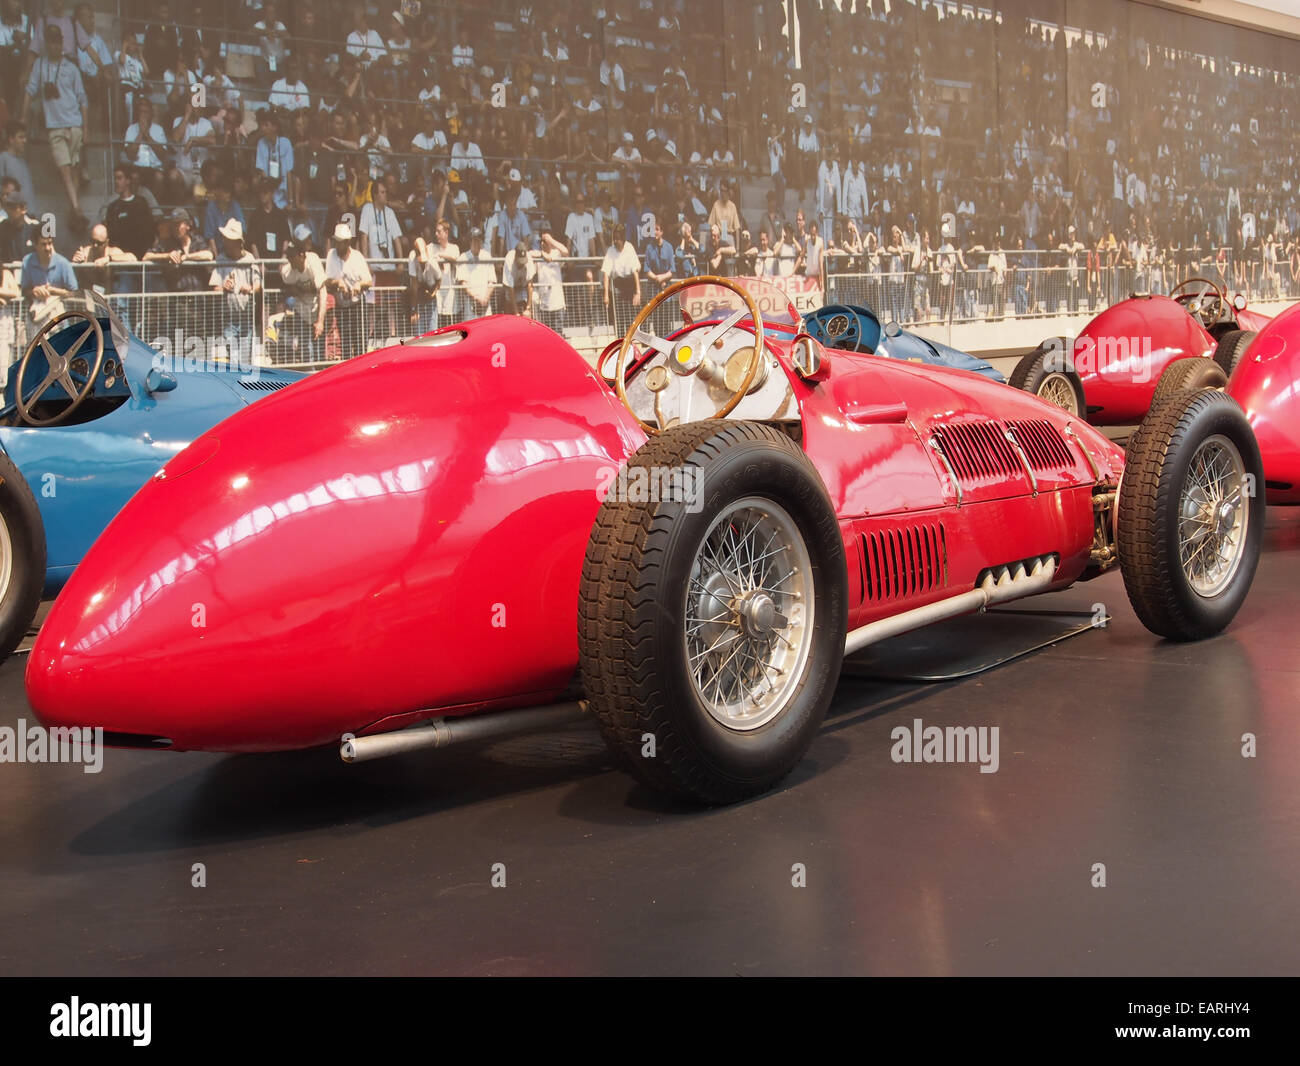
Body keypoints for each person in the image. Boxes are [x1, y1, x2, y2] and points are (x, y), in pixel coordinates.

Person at [21, 23, 87, 229]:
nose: (54, 46)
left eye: (57, 41)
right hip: (55, 127)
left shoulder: (72, 67)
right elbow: (30, 90)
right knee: (64, 169)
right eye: (50, 42)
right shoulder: (40, 65)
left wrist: (87, 128)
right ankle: (77, 210)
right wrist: (23, 117)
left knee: (74, 170)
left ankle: (74, 211)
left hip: (74, 124)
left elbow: (83, 98)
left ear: (61, 43)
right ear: (47, 44)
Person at [209, 219, 261, 358]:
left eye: (228, 239)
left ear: (238, 242)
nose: (225, 242)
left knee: (246, 359)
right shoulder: (220, 259)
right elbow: (215, 288)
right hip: (229, 319)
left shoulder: (249, 258)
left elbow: (258, 285)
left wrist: (250, 288)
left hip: (247, 318)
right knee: (233, 358)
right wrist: (224, 288)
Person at [324, 222, 371, 359]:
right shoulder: (331, 255)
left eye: (340, 242)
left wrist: (359, 285)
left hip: (358, 305)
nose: (337, 245)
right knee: (344, 342)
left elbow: (368, 281)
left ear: (347, 242)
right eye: (336, 242)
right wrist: (338, 282)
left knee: (360, 342)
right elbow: (326, 280)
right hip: (341, 305)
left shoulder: (357, 257)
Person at [278, 239, 326, 361]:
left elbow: (322, 292)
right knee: (305, 351)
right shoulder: (287, 272)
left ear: (301, 255)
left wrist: (320, 321)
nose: (289, 259)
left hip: (317, 310)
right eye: (288, 256)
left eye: (292, 256)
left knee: (319, 353)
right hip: (302, 312)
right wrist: (296, 291)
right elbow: (286, 284)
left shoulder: (313, 261)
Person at [21, 232, 78, 323]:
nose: (48, 248)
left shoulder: (63, 263)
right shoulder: (27, 261)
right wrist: (34, 291)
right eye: (43, 244)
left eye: (50, 243)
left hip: (59, 317)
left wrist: (53, 291)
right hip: (36, 317)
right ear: (35, 245)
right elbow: (24, 291)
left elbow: (75, 293)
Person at [601, 228, 641, 332]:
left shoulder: (629, 248)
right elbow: (606, 273)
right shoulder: (611, 250)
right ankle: (620, 343)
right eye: (614, 239)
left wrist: (638, 292)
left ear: (623, 239)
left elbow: (635, 271)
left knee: (630, 319)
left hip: (629, 285)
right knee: (618, 319)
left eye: (618, 239)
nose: (616, 241)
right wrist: (606, 295)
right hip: (617, 286)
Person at [456, 227, 496, 318]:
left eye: (479, 240)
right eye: (474, 240)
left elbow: (492, 281)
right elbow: (463, 283)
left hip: (485, 305)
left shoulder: (487, 256)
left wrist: (485, 298)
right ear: (470, 241)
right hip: (470, 306)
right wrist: (476, 297)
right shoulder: (463, 257)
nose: (477, 243)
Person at [533, 228, 567, 332]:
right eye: (542, 241)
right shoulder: (538, 254)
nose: (543, 243)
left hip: (557, 304)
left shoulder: (556, 254)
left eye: (545, 241)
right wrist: (542, 255)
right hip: (544, 304)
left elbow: (565, 251)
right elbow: (528, 253)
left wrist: (550, 240)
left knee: (558, 334)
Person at [0, 121, 35, 213]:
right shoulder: (3, 159)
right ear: (11, 139)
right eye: (21, 137)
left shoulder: (23, 162)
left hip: (27, 219)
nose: (24, 141)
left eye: (25, 137)